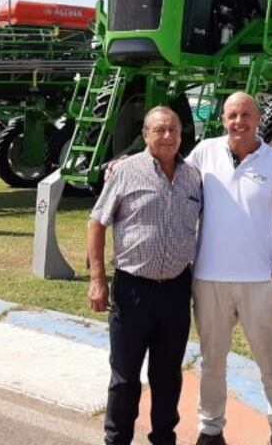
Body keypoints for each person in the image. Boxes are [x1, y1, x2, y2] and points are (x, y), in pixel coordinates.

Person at [187, 92, 272, 445]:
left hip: (258, 280)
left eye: (246, 114)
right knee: (212, 361)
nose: (239, 121)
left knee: (270, 360)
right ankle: (210, 428)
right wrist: (124, 163)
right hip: (209, 278)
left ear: (258, 119)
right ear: (223, 119)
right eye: (232, 115)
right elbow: (170, 175)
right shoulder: (204, 152)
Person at [87, 106, 203, 445]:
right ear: (146, 134)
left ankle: (164, 438)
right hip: (133, 290)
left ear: (181, 135)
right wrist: (97, 280)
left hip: (176, 290)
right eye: (159, 130)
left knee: (168, 375)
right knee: (125, 377)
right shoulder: (126, 171)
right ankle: (117, 439)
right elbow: (96, 223)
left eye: (173, 130)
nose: (167, 136)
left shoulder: (193, 177)